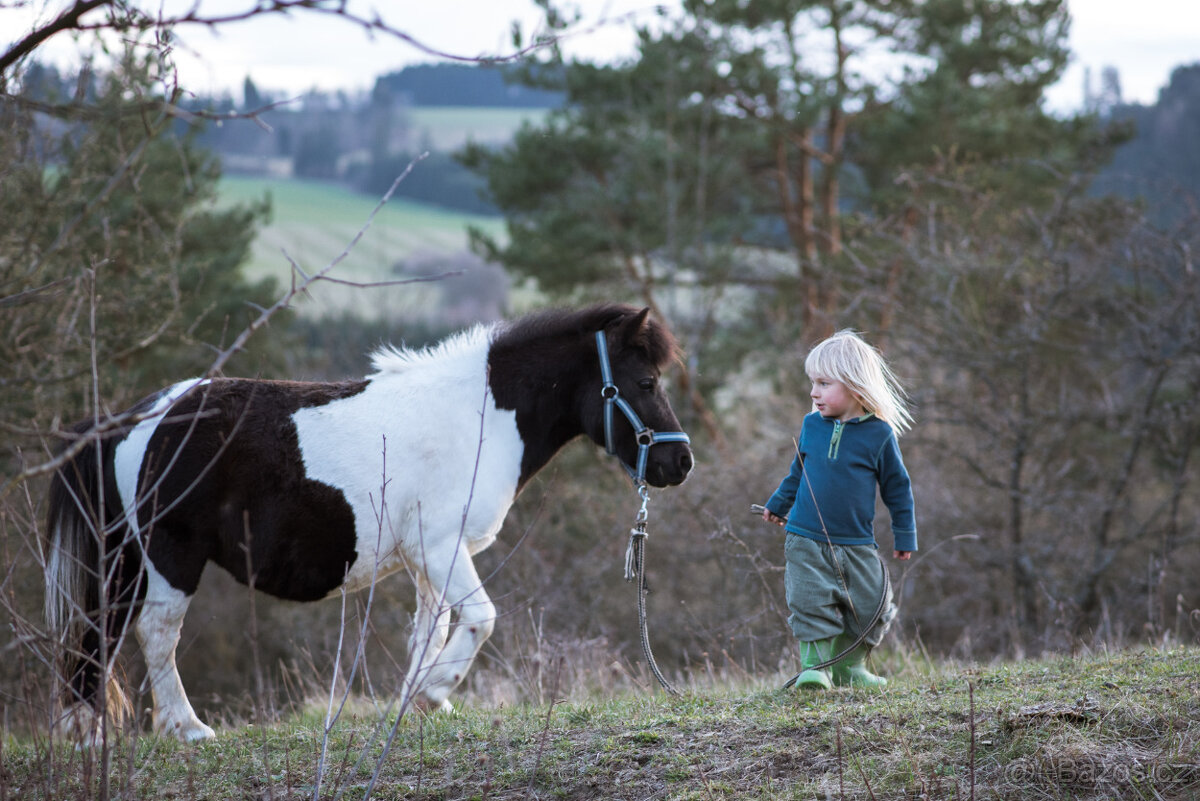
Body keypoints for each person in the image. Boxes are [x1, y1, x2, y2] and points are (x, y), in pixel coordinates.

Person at [760, 329, 916, 690]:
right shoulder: (811, 425)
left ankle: (849, 668)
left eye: (824, 383)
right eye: (812, 382)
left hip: (857, 542)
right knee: (809, 600)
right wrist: (778, 503)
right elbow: (798, 470)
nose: (814, 392)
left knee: (873, 604)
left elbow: (898, 488)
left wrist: (904, 533)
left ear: (855, 386)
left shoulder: (879, 435)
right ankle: (815, 670)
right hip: (804, 536)